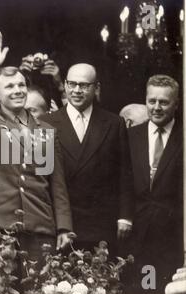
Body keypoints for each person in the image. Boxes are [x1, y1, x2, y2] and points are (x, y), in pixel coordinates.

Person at [0, 31, 73, 267]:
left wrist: (63, 226)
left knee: (38, 292)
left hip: (39, 223)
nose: (17, 90)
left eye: (21, 85)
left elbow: (57, 183)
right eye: (9, 86)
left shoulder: (45, 129)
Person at [41, 63, 134, 254]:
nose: (76, 90)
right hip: (61, 224)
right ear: (65, 85)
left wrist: (125, 216)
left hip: (101, 223)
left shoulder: (114, 123)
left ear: (96, 88)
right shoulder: (45, 122)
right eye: (72, 84)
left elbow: (124, 174)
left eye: (84, 85)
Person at [128, 75, 183, 294]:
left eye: (164, 102)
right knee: (142, 291)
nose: (157, 107)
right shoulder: (130, 136)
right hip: (137, 235)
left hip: (174, 235)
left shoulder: (184, 136)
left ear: (176, 104)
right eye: (152, 101)